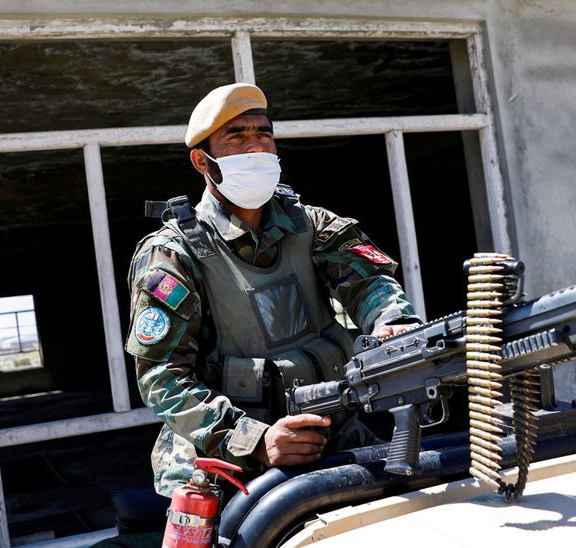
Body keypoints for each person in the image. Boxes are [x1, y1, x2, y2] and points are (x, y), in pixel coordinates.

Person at [126, 83, 422, 497]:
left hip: (330, 435)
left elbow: (369, 282)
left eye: (263, 133)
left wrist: (395, 323)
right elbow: (160, 376)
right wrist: (254, 442)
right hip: (223, 464)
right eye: (237, 136)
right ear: (201, 160)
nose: (256, 148)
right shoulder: (174, 253)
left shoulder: (309, 224)